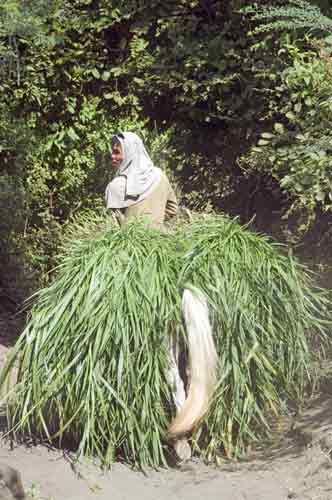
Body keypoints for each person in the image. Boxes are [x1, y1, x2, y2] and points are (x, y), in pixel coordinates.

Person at [105, 131, 178, 227]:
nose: (112, 156)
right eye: (112, 152)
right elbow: (172, 209)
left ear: (130, 154)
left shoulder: (115, 187)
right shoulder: (160, 176)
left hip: (130, 241)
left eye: (117, 152)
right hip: (160, 238)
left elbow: (114, 224)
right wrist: (154, 224)